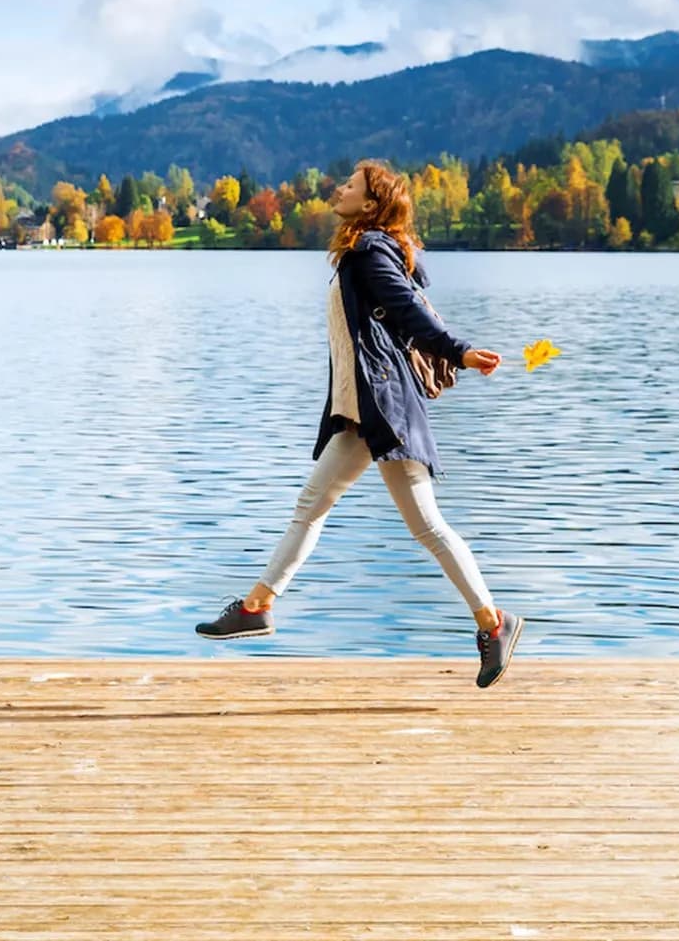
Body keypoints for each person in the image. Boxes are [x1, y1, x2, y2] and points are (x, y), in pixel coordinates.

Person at [196, 159, 524, 688]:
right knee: (315, 505)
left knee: (427, 526)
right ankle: (257, 606)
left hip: (384, 411)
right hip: (361, 413)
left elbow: (408, 312)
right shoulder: (364, 251)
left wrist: (460, 353)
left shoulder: (370, 251)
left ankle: (494, 621)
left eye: (350, 185)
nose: (338, 188)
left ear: (371, 205)